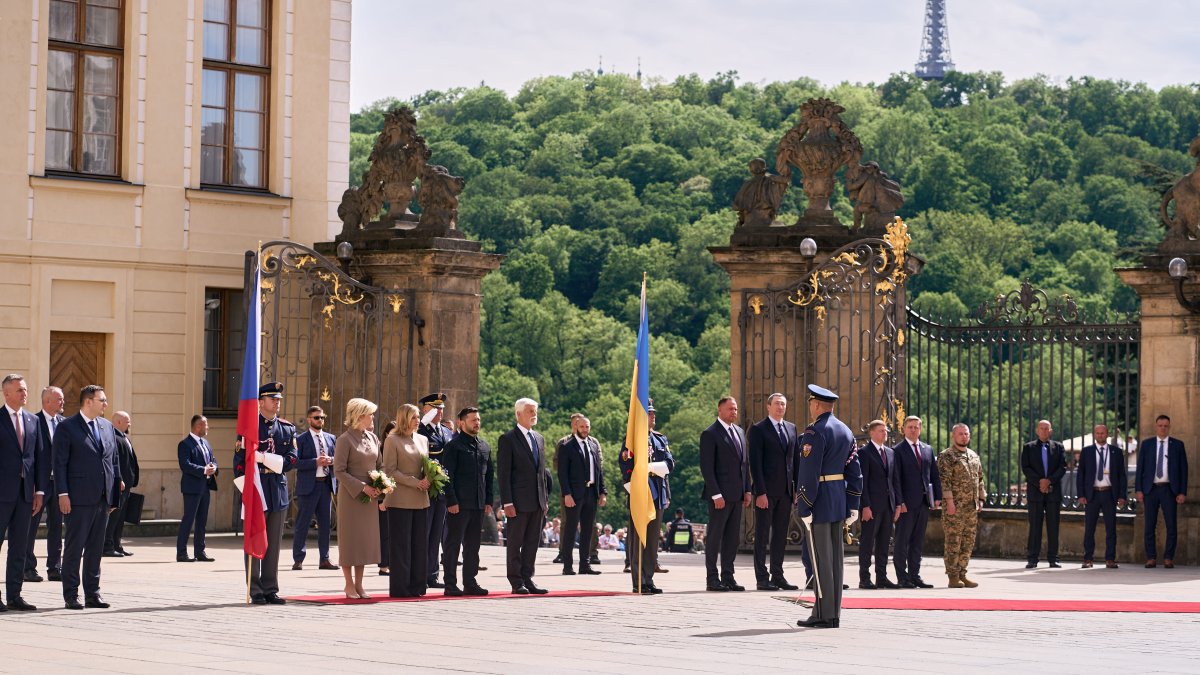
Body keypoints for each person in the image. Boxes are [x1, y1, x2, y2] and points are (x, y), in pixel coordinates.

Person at [795, 384, 861, 629]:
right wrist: (853, 503)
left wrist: (805, 506)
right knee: (835, 560)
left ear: (816, 404)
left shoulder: (814, 432)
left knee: (821, 559)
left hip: (820, 500)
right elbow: (855, 471)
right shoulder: (846, 431)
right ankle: (833, 614)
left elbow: (809, 472)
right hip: (839, 499)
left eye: (811, 403)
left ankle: (823, 614)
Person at [55, 384, 121, 610]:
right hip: (78, 498)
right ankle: (71, 595)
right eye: (102, 400)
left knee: (95, 548)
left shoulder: (107, 426)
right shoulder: (67, 427)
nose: (106, 404)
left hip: (102, 498)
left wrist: (113, 496)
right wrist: (62, 493)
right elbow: (60, 463)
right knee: (75, 548)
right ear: (88, 401)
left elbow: (113, 461)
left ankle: (93, 593)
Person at [233, 381, 298, 605]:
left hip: (276, 490)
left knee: (273, 543)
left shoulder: (287, 428)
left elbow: (292, 459)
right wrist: (247, 492)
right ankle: (255, 588)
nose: (277, 402)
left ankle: (270, 587)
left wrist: (266, 458)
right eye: (273, 399)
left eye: (279, 399)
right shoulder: (249, 426)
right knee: (254, 538)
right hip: (256, 488)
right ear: (260, 402)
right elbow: (239, 462)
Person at [1, 374, 46, 611]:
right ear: (6, 393)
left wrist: (39, 492)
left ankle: (14, 595)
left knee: (19, 546)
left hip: (25, 495)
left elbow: (38, 459)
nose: (24, 393)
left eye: (25, 389)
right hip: (1, 495)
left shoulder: (32, 421)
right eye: (19, 390)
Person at [619, 400, 674, 594]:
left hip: (657, 492)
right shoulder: (631, 439)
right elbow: (625, 467)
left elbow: (669, 463)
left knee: (652, 540)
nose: (653, 417)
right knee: (638, 540)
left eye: (653, 414)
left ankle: (648, 578)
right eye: (649, 414)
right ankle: (638, 581)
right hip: (641, 493)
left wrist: (650, 467)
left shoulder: (660, 439)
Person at [497, 397, 550, 595]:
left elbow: (542, 473)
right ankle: (516, 581)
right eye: (529, 411)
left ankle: (528, 578)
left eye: (535, 410)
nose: (533, 414)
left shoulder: (539, 438)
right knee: (515, 543)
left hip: (537, 501)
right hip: (517, 502)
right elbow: (504, 474)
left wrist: (544, 500)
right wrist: (507, 502)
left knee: (531, 544)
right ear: (518, 414)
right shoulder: (508, 439)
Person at [747, 393, 800, 591]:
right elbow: (755, 463)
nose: (780, 407)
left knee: (780, 535)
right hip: (766, 492)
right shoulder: (759, 429)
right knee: (762, 535)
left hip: (786, 492)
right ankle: (762, 578)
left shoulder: (791, 428)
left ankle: (777, 575)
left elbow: (795, 461)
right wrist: (760, 492)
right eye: (777, 404)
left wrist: (795, 489)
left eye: (783, 404)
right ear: (768, 406)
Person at [699, 396, 750, 592]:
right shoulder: (710, 434)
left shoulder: (739, 432)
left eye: (735, 409)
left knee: (732, 538)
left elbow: (744, 465)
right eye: (730, 409)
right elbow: (707, 467)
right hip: (719, 496)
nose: (734, 412)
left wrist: (747, 489)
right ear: (720, 410)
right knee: (715, 537)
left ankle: (728, 576)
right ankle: (712, 578)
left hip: (737, 495)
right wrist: (715, 494)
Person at [333, 398, 383, 599]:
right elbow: (339, 471)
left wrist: (381, 485)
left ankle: (360, 585)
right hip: (352, 496)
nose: (373, 417)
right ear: (359, 415)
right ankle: (348, 585)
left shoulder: (373, 438)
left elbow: (379, 466)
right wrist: (362, 487)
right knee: (350, 541)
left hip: (370, 497)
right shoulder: (344, 440)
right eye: (370, 414)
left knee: (363, 541)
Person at [441, 406, 493, 596]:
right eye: (473, 420)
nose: (477, 423)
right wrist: (451, 501)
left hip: (478, 505)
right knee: (452, 545)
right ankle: (450, 584)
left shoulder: (484, 446)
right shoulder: (453, 446)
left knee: (473, 547)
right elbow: (447, 476)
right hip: (459, 505)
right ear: (462, 423)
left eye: (478, 419)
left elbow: (489, 477)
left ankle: (470, 582)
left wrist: (488, 500)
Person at [382, 403, 430, 597]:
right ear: (404, 418)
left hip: (421, 498)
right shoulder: (392, 440)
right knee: (401, 546)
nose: (417, 420)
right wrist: (414, 482)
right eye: (413, 417)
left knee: (419, 545)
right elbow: (390, 471)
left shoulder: (423, 439)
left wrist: (430, 477)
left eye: (418, 417)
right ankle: (401, 589)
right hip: (400, 499)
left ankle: (418, 586)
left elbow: (425, 465)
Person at [892, 415, 941, 588]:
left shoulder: (928, 449)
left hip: (923, 502)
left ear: (920, 429)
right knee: (902, 541)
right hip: (906, 503)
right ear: (904, 429)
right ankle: (902, 577)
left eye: (916, 427)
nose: (913, 430)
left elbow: (934, 475)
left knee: (918, 541)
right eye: (910, 427)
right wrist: (900, 501)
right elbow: (895, 479)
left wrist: (937, 498)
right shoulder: (897, 450)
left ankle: (915, 575)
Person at [1135, 415, 1188, 568]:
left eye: (1165, 426)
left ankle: (1168, 558)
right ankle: (1151, 557)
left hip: (1169, 490)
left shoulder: (1178, 445)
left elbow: (1183, 470)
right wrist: (1138, 490)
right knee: (1149, 525)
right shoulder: (1147, 444)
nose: (1163, 428)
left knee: (1171, 525)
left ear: (1169, 427)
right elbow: (1140, 469)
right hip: (1150, 490)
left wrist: (1182, 492)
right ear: (1156, 426)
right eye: (1160, 425)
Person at [938, 423, 986, 588]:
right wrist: (949, 502)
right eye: (960, 434)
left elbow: (980, 479)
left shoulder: (973, 456)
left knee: (968, 541)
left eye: (966, 434)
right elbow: (944, 482)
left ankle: (962, 573)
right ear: (953, 436)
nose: (964, 437)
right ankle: (952, 576)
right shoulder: (947, 456)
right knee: (953, 541)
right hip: (954, 507)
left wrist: (981, 499)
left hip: (971, 508)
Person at [557, 414, 606, 575]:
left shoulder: (593, 444)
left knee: (587, 530)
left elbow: (599, 471)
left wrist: (602, 492)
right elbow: (562, 473)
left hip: (591, 493)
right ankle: (567, 566)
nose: (585, 430)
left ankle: (585, 565)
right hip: (574, 494)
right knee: (570, 530)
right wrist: (567, 494)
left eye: (587, 427)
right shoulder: (567, 446)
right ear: (576, 427)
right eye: (582, 427)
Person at [25, 385, 63, 583]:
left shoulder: (64, 424)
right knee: (31, 525)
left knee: (56, 525)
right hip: (39, 484)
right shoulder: (33, 421)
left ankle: (55, 567)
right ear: (47, 401)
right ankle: (28, 567)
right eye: (59, 399)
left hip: (59, 484)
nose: (62, 402)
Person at [857, 419, 901, 589]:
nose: (885, 433)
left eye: (886, 431)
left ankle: (881, 577)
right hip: (872, 507)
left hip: (888, 505)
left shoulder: (890, 453)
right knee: (867, 543)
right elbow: (863, 482)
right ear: (872, 433)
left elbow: (894, 480)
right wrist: (865, 506)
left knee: (884, 543)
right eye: (881, 430)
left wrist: (897, 504)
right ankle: (864, 578)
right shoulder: (865, 453)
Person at [293, 405, 337, 571]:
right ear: (309, 420)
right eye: (317, 417)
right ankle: (298, 559)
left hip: (325, 485)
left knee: (325, 525)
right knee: (302, 524)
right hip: (308, 487)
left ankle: (324, 559)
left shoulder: (331, 438)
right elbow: (295, 462)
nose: (321, 420)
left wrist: (330, 460)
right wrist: (315, 462)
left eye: (323, 417)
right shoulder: (301, 439)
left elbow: (338, 458)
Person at [1077, 424, 1127, 569]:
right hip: (1092, 494)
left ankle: (1110, 559)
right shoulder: (1087, 452)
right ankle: (1088, 559)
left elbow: (1121, 476)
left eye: (1102, 433)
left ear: (1107, 434)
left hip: (1109, 493)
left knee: (1111, 528)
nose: (1100, 435)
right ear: (1094, 435)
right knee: (1089, 528)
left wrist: (1122, 495)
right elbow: (1081, 475)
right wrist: (1081, 494)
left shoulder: (1116, 452)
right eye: (1097, 433)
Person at [417, 392, 453, 589]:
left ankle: (432, 574)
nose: (439, 412)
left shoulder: (446, 432)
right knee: (425, 532)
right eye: (435, 408)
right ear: (425, 409)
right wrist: (422, 424)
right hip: (426, 489)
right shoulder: (421, 432)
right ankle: (421, 573)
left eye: (441, 408)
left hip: (443, 490)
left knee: (437, 533)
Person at [1021, 419, 1066, 568]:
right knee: (1035, 526)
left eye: (1047, 429)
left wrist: (1049, 481)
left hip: (1053, 492)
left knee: (1053, 526)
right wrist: (1039, 482)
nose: (1044, 431)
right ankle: (1032, 558)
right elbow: (1026, 468)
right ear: (1037, 430)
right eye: (1042, 428)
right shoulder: (1028, 447)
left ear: (1051, 431)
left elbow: (1062, 467)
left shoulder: (1059, 447)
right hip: (1035, 492)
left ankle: (1054, 558)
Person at [176, 414, 216, 563]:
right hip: (192, 488)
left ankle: (200, 551)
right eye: (205, 425)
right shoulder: (185, 444)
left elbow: (213, 459)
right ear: (198, 426)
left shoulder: (206, 443)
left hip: (205, 487)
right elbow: (185, 465)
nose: (207, 427)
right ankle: (181, 553)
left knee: (202, 521)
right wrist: (203, 470)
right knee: (188, 519)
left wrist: (213, 467)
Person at [103, 411, 139, 557]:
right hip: (119, 485)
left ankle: (117, 545)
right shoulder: (113, 438)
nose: (129, 423)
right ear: (118, 422)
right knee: (113, 517)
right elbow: (113, 462)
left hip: (126, 485)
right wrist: (119, 480)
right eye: (127, 421)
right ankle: (107, 546)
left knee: (120, 517)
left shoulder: (124, 437)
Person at [377, 420, 396, 577]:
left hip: (398, 496)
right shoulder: (381, 449)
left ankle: (391, 562)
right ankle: (383, 565)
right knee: (385, 532)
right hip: (384, 496)